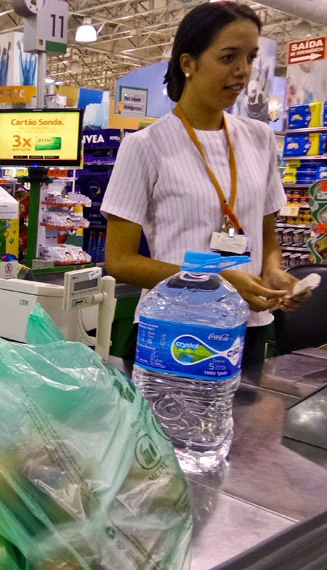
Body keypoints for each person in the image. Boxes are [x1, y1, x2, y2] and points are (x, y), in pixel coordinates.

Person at [100, 1, 312, 368]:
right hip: (174, 333)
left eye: (250, 57)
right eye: (228, 57)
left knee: (244, 426)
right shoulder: (145, 146)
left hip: (248, 327)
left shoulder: (260, 139)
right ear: (188, 64)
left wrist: (276, 274)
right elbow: (120, 261)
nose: (242, 72)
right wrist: (212, 280)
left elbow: (267, 241)